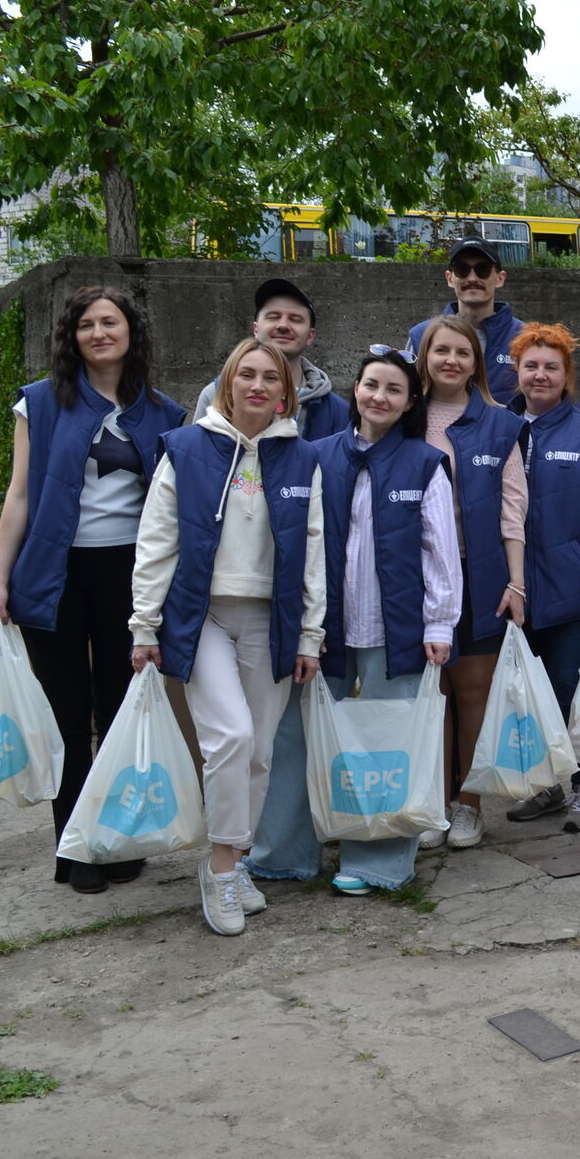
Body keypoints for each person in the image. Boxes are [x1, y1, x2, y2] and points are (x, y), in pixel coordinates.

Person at [0, 287, 187, 894]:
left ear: (131, 333)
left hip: (129, 575)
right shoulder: (40, 404)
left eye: (111, 322)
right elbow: (18, 495)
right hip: (54, 572)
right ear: (72, 337)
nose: (100, 333)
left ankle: (121, 838)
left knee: (120, 710)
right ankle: (77, 851)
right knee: (68, 716)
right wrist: (0, 579)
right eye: (87, 325)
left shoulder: (163, 413)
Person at [129, 340, 325, 936]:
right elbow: (156, 539)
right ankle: (218, 872)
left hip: (272, 624)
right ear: (227, 384)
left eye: (271, 377)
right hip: (202, 617)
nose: (258, 385)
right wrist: (143, 624)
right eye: (247, 375)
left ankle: (237, 861)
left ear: (285, 393)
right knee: (230, 738)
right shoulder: (186, 449)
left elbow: (315, 553)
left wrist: (310, 636)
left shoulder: (302, 458)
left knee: (260, 753)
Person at [249, 347, 460, 896]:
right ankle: (283, 852)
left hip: (397, 630)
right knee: (296, 738)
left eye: (393, 389)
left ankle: (378, 860)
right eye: (371, 385)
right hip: (324, 629)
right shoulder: (316, 456)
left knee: (388, 747)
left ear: (411, 400)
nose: (379, 397)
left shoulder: (424, 463)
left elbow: (441, 552)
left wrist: (440, 624)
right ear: (355, 390)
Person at [499, 324, 580, 832]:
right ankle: (547, 786)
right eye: (531, 365)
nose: (540, 375)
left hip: (574, 586)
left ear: (566, 376)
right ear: (517, 371)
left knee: (573, 688)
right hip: (515, 590)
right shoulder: (499, 428)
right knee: (528, 694)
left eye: (551, 366)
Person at [413, 315, 528, 852]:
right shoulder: (405, 416)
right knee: (428, 695)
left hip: (480, 576)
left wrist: (517, 582)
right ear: (425, 357)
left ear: (477, 363)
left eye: (463, 352)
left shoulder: (501, 423)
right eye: (442, 351)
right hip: (414, 578)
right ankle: (431, 804)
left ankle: (469, 805)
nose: (451, 361)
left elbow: (513, 511)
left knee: (472, 692)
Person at [193, 278, 350, 440]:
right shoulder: (215, 395)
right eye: (273, 317)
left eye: (295, 319)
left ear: (310, 336)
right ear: (256, 329)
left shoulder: (338, 412)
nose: (283, 325)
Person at [406, 238, 526, 402]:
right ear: (449, 278)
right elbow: (404, 397)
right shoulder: (421, 335)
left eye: (482, 269)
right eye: (462, 269)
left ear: (500, 278)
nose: (472, 278)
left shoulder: (526, 338)